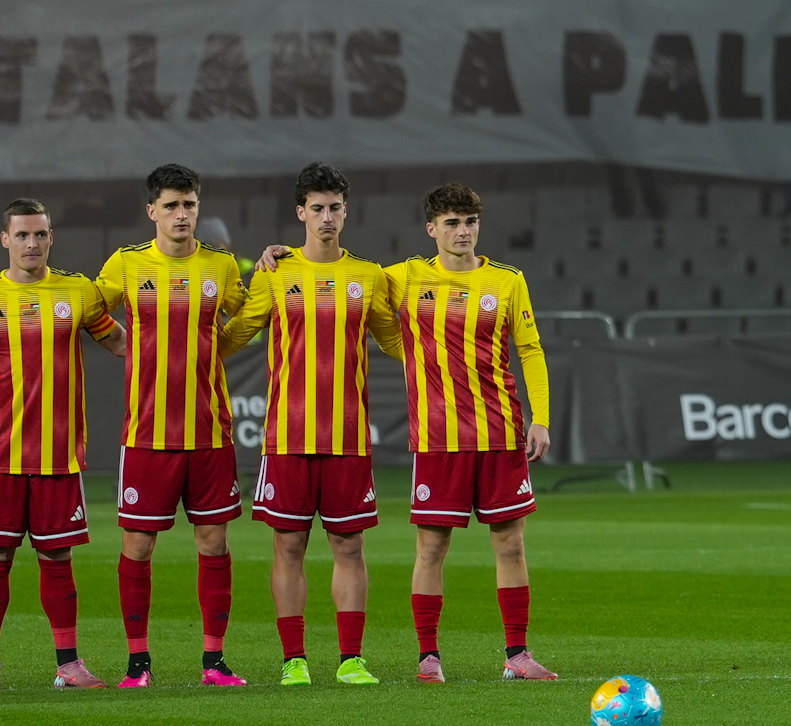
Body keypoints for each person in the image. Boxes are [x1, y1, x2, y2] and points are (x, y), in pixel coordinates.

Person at [386, 181, 559, 683]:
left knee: (510, 544)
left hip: (501, 432)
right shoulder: (405, 277)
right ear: (432, 229)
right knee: (431, 548)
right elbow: (340, 272)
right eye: (452, 223)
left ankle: (518, 655)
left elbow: (530, 348)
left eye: (470, 222)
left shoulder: (507, 281)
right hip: (439, 438)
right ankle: (427, 657)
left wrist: (540, 416)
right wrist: (278, 256)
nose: (463, 231)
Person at [0, 200, 112, 690]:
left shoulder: (78, 291)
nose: (31, 244)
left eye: (40, 235)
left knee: (58, 558)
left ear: (51, 238)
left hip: (59, 453)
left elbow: (117, 340)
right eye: (23, 235)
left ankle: (69, 665)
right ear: (5, 240)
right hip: (2, 449)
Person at [231, 162, 388, 686]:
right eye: (316, 208)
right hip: (288, 435)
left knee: (349, 546)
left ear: (346, 211)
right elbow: (237, 332)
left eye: (335, 208)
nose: (326, 217)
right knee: (289, 546)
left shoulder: (370, 276)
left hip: (347, 436)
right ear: (300, 213)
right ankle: (293, 659)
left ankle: (350, 658)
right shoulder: (276, 272)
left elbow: (399, 341)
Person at [95, 162, 251, 690]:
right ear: (151, 212)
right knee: (138, 547)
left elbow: (249, 316)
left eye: (189, 205)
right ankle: (138, 664)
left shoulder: (221, 266)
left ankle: (214, 661)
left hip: (210, 434)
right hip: (147, 435)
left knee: (213, 543)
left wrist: (216, 349)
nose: (181, 214)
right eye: (171, 206)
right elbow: (88, 309)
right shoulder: (125, 264)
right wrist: (123, 343)